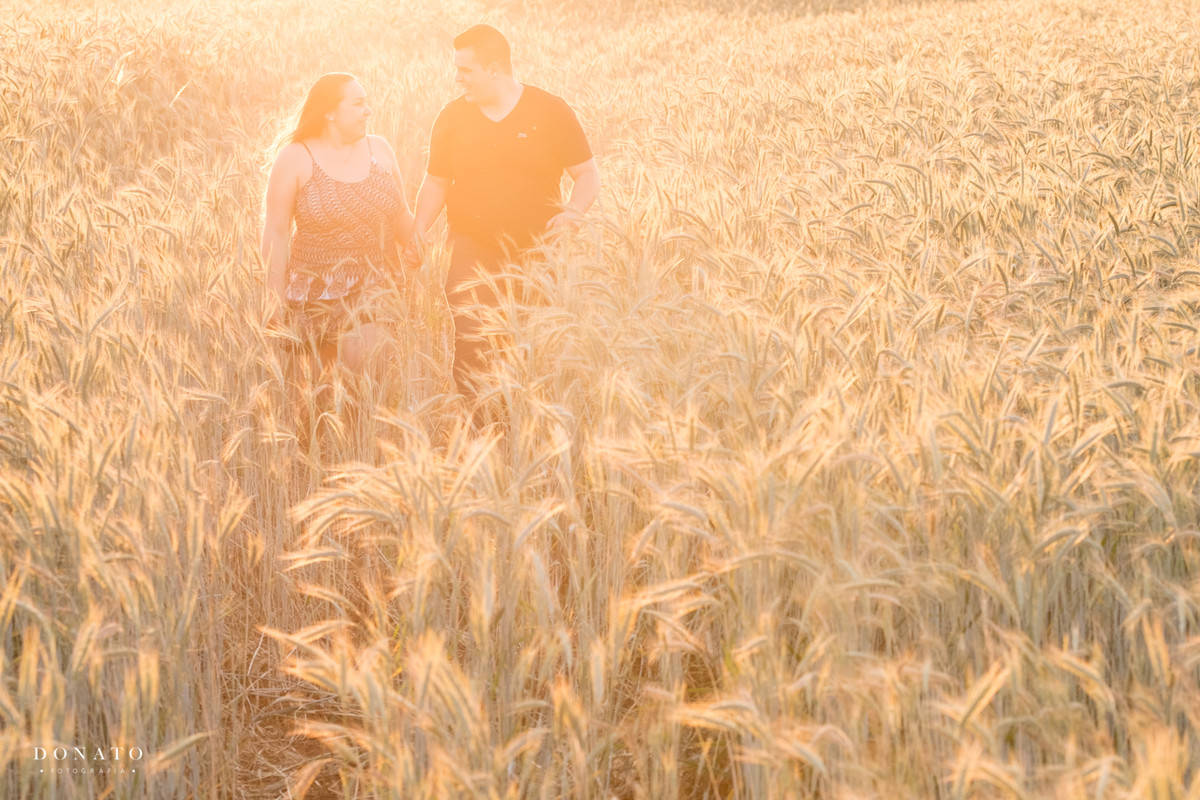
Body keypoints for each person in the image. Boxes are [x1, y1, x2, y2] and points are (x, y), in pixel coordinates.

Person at [407, 24, 601, 407]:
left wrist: (572, 215)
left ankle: (522, 424)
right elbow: (436, 182)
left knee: (530, 342)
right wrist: (418, 228)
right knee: (473, 336)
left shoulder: (550, 110)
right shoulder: (451, 117)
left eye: (466, 70)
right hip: (470, 245)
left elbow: (587, 175)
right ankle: (478, 424)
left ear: (494, 69)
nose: (457, 78)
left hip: (538, 248)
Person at [262, 72, 414, 378]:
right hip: (313, 295)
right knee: (315, 404)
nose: (368, 110)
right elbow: (276, 231)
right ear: (330, 111)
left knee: (365, 384)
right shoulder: (296, 158)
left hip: (376, 287)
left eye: (367, 102)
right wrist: (273, 298)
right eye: (358, 104)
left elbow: (402, 218)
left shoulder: (380, 150)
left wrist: (420, 241)